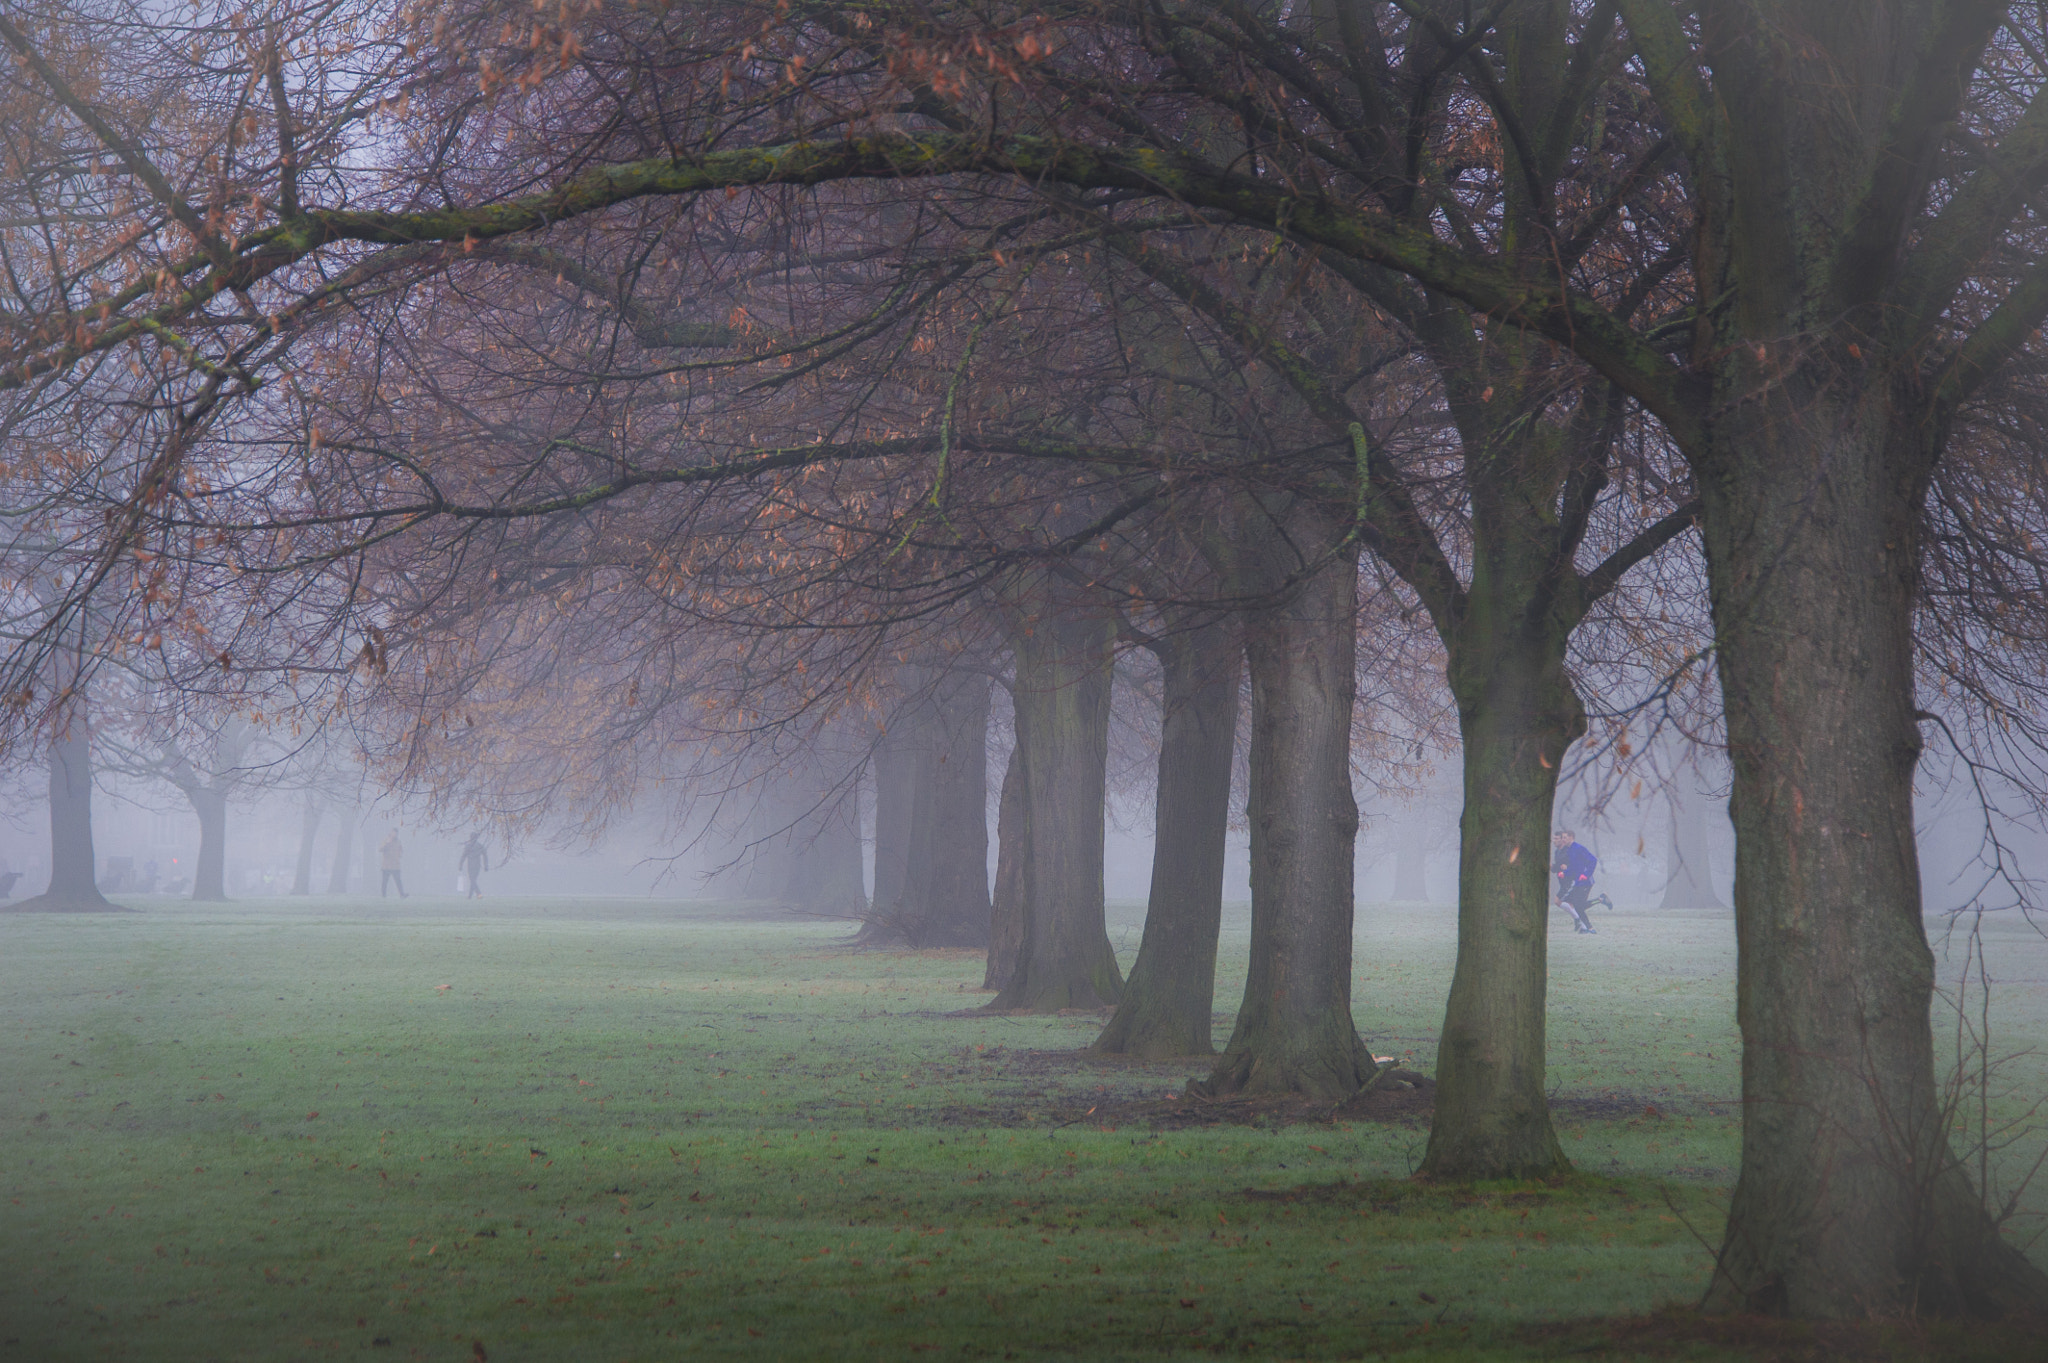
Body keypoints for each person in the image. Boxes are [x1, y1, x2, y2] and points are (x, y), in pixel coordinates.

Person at [1551, 829, 1600, 934]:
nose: (1563, 840)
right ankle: (1599, 901)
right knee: (1577, 905)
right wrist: (1565, 872)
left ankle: (1588, 927)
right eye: (1562, 838)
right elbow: (1573, 867)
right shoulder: (1569, 850)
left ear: (1571, 837)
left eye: (1564, 837)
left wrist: (1586, 875)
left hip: (1585, 882)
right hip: (1578, 882)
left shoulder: (1578, 848)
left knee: (1578, 905)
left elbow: (1593, 860)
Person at [379, 830, 408, 899]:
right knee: (385, 882)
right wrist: (387, 843)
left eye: (396, 833)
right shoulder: (386, 841)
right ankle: (383, 895)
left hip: (395, 865)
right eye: (394, 833)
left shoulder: (398, 842)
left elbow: (401, 850)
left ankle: (402, 894)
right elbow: (380, 849)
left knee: (398, 881)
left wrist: (399, 855)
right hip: (386, 865)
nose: (395, 834)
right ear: (391, 833)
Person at [459, 834, 488, 899]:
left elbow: (463, 856)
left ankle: (478, 893)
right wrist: (486, 865)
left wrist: (460, 865)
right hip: (477, 865)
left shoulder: (468, 846)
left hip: (470, 865)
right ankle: (470, 896)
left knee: (472, 880)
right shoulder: (480, 846)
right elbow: (485, 856)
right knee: (473, 880)